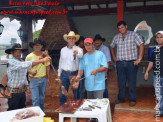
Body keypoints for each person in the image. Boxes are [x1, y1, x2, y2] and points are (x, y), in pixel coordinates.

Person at [4, 43, 50, 111]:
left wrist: (27, 85)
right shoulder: (11, 62)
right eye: (16, 52)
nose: (18, 54)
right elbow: (25, 64)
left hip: (22, 92)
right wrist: (42, 60)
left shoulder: (22, 61)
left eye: (19, 52)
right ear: (12, 52)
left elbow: (25, 73)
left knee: (22, 111)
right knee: (13, 111)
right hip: (13, 93)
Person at [110, 20, 144, 107]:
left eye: (122, 27)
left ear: (126, 26)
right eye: (119, 28)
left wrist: (139, 59)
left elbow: (141, 44)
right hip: (120, 63)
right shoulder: (117, 37)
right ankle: (121, 98)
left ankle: (132, 99)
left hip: (131, 63)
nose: (121, 29)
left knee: (132, 82)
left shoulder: (134, 35)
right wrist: (114, 57)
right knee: (121, 82)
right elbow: (111, 46)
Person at [58, 31, 83, 106]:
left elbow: (81, 56)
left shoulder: (78, 49)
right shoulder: (63, 50)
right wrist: (59, 75)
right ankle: (63, 112)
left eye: (73, 39)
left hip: (74, 74)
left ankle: (76, 112)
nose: (71, 40)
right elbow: (60, 62)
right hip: (64, 74)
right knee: (63, 94)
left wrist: (76, 53)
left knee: (76, 95)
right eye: (69, 38)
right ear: (67, 40)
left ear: (75, 40)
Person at [25, 38, 50, 111]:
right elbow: (25, 67)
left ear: (42, 46)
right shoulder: (29, 56)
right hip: (33, 80)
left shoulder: (45, 55)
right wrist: (30, 72)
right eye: (35, 45)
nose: (37, 46)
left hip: (43, 79)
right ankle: (37, 116)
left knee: (42, 98)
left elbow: (47, 67)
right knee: (35, 99)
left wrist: (48, 78)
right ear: (33, 46)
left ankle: (41, 114)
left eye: (39, 45)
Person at [144, 31, 163, 117]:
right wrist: (147, 71)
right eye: (157, 37)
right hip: (157, 76)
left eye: (161, 37)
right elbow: (151, 62)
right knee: (159, 95)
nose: (159, 39)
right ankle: (160, 112)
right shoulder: (155, 50)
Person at [94, 34, 111, 98]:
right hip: (95, 72)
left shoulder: (105, 49)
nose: (97, 42)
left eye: (98, 40)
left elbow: (107, 62)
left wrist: (105, 73)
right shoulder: (93, 48)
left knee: (103, 88)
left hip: (103, 72)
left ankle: (105, 103)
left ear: (101, 41)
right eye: (95, 40)